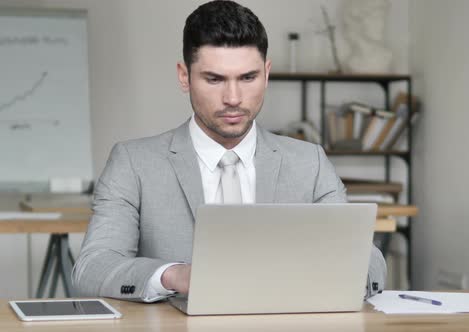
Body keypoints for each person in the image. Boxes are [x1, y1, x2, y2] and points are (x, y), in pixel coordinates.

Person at [72, 0, 386, 302]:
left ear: (266, 73)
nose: (233, 98)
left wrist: (317, 273)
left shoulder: (309, 162)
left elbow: (369, 261)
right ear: (185, 77)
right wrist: (176, 276)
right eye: (214, 79)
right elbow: (93, 267)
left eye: (248, 78)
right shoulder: (134, 163)